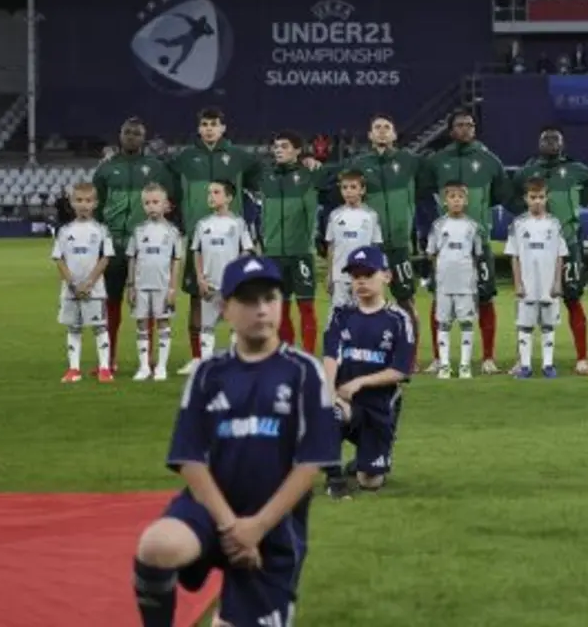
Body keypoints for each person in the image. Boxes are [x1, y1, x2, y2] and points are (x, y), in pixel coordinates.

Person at [131, 256, 338, 627]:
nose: (261, 309)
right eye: (248, 300)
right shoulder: (208, 374)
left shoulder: (304, 372)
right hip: (210, 511)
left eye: (269, 298)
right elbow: (189, 457)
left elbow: (312, 462)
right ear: (225, 308)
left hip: (273, 527)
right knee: (157, 545)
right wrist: (231, 526)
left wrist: (256, 527)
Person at [168, 109, 262, 371]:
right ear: (199, 128)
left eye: (214, 124)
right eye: (204, 124)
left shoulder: (239, 157)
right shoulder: (184, 158)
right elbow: (168, 188)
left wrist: (307, 160)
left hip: (231, 241)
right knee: (197, 297)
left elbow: (261, 178)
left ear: (223, 128)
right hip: (198, 237)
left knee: (236, 299)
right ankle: (198, 357)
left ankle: (237, 354)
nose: (209, 128)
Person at [420, 109, 512, 375]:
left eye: (470, 125)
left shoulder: (489, 160)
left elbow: (501, 194)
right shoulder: (437, 161)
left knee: (484, 297)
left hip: (478, 241)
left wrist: (479, 211)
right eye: (460, 125)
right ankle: (439, 358)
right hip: (446, 247)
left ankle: (488, 358)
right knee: (440, 298)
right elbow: (423, 190)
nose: (465, 129)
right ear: (451, 130)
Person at [322, 246, 415, 499]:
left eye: (368, 274)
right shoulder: (341, 314)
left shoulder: (399, 319)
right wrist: (331, 393)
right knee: (330, 414)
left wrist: (360, 382)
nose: (361, 281)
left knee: (371, 482)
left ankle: (364, 461)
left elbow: (400, 370)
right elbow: (330, 356)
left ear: (386, 276)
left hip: (379, 406)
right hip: (345, 401)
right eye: (355, 276)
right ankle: (334, 480)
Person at [511, 126, 588, 375]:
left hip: (567, 243)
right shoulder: (526, 172)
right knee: (526, 302)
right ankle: (522, 360)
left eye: (555, 139)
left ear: (563, 143)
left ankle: (582, 359)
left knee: (572, 298)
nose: (550, 143)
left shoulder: (577, 170)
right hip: (534, 249)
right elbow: (511, 196)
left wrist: (575, 207)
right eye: (546, 139)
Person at [94, 117, 173, 372]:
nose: (131, 136)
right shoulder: (106, 169)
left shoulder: (157, 168)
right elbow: (96, 207)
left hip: (145, 247)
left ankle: (147, 360)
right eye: (127, 132)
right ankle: (108, 360)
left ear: (144, 138)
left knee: (148, 303)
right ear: (120, 135)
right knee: (110, 303)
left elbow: (170, 200)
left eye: (136, 133)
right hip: (113, 244)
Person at [341, 114, 424, 349]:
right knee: (366, 300)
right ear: (370, 135)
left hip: (399, 243)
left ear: (394, 134)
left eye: (387, 127)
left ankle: (410, 355)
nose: (382, 131)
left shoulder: (409, 161)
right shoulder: (359, 164)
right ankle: (367, 350)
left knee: (406, 300)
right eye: (377, 127)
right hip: (371, 246)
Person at [257, 131, 324, 354]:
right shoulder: (265, 176)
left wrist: (315, 163)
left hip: (301, 252)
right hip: (274, 253)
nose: (278, 150)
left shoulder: (310, 175)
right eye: (276, 146)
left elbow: (343, 176)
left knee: (306, 306)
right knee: (281, 308)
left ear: (297, 151)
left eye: (284, 146)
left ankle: (308, 355)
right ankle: (287, 354)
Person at [187, 181, 255, 368]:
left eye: (216, 192)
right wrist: (200, 278)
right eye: (209, 193)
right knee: (207, 327)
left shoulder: (238, 223)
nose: (211, 196)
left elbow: (247, 249)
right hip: (210, 284)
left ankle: (235, 365)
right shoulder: (203, 224)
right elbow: (197, 251)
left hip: (232, 286)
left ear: (229, 198)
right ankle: (207, 366)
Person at [506, 177, 569, 378]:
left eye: (541, 197)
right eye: (533, 197)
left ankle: (548, 365)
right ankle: (525, 366)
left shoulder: (554, 224)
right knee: (525, 326)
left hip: (548, 283)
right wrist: (518, 283)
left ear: (546, 198)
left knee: (548, 326)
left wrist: (557, 282)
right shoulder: (518, 224)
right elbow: (514, 256)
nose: (537, 201)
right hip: (527, 284)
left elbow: (560, 255)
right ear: (526, 198)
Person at [53, 182, 115, 383]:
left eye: (88, 200)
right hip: (71, 290)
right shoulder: (64, 231)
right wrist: (73, 284)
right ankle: (74, 369)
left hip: (94, 290)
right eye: (79, 200)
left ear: (95, 203)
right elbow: (58, 259)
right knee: (73, 328)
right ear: (72, 203)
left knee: (100, 327)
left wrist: (89, 282)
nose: (83, 204)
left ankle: (104, 368)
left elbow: (105, 258)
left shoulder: (101, 230)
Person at [426, 182, 483, 380]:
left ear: (466, 201)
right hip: (444, 283)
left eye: (460, 197)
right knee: (443, 323)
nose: (456, 201)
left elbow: (477, 254)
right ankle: (444, 365)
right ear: (445, 201)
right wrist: (439, 274)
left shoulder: (472, 226)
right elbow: (431, 253)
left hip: (466, 284)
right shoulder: (438, 225)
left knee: (466, 322)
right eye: (452, 197)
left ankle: (465, 365)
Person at [127, 183, 182, 382]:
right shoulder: (138, 231)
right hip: (141, 286)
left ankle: (161, 367)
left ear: (165, 204)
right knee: (141, 323)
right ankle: (144, 367)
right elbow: (132, 258)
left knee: (163, 323)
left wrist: (173, 288)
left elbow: (176, 261)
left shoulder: (173, 232)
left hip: (163, 286)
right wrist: (131, 286)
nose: (151, 206)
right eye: (147, 203)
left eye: (156, 202)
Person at [323, 170, 383, 319]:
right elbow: (331, 246)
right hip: (340, 275)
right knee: (338, 316)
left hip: (363, 275)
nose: (348, 191)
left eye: (353, 187)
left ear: (362, 190)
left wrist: (376, 275)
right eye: (344, 187)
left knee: (363, 314)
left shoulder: (371, 216)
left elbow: (375, 248)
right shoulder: (335, 215)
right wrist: (329, 274)